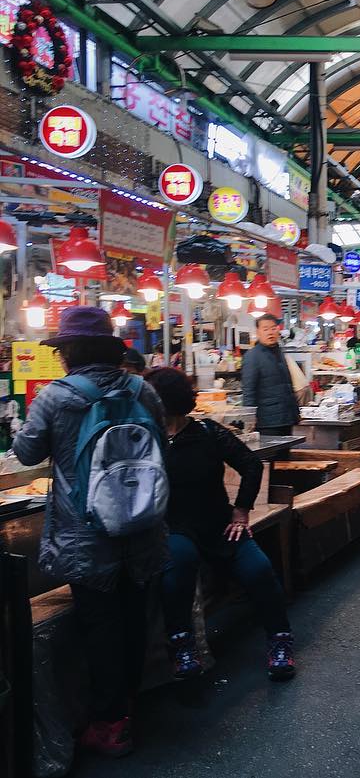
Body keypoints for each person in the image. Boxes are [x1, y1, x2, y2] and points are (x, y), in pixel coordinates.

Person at [13, 307, 168, 757]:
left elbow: (25, 453)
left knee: (100, 627)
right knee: (134, 618)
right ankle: (127, 706)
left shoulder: (56, 397)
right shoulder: (143, 389)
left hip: (87, 536)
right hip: (143, 526)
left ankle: (110, 722)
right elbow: (160, 436)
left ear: (69, 352)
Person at [143, 367, 296, 683]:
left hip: (219, 525)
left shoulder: (208, 432)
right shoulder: (145, 440)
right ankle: (182, 648)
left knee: (259, 570)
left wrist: (241, 512)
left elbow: (251, 465)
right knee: (178, 570)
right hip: (175, 528)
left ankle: (280, 640)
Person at [241, 314, 300, 437]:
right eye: (265, 329)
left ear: (278, 330)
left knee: (284, 455)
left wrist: (295, 412)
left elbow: (287, 385)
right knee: (271, 456)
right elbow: (248, 390)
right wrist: (249, 418)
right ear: (258, 332)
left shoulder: (279, 352)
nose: (270, 332)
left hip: (286, 419)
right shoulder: (252, 356)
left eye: (273, 328)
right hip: (267, 423)